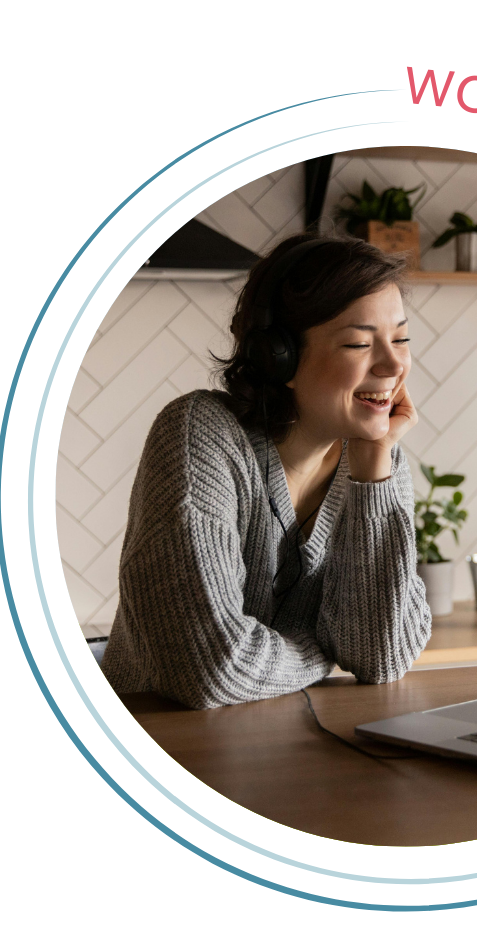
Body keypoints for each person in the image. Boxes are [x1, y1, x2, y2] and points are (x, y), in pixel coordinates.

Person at [100, 233, 433, 708]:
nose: (394, 364)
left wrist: (375, 473)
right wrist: (319, 651)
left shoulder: (375, 460)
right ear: (280, 358)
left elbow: (381, 657)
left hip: (283, 754)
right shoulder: (201, 435)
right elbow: (210, 669)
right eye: (360, 344)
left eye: (400, 338)